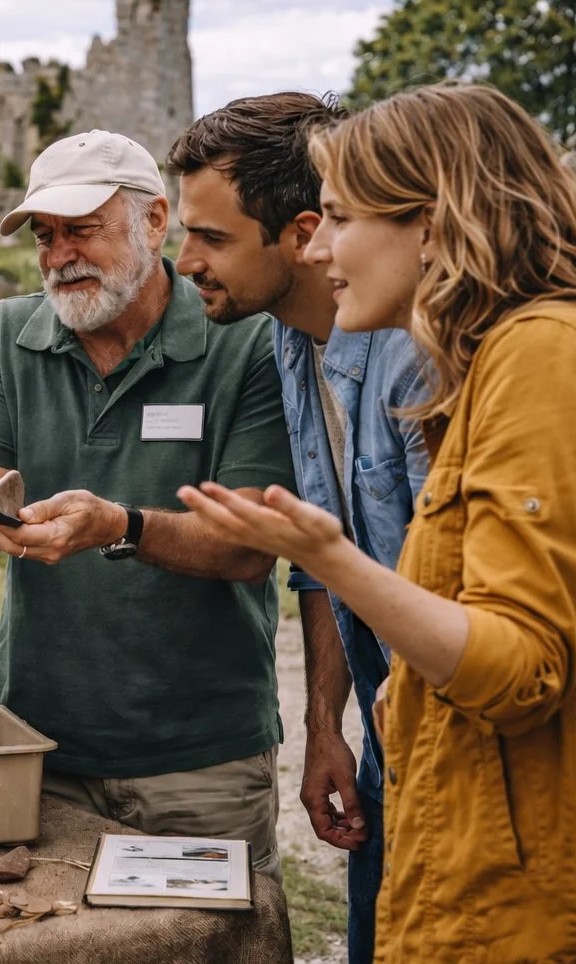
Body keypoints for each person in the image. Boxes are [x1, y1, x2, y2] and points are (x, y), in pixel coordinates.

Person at [179, 82, 576, 962]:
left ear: (435, 227)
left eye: (339, 218)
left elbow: (519, 668)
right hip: (465, 788)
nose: (317, 245)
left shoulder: (547, 356)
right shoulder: (492, 352)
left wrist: (328, 555)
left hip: (545, 837)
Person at [0, 130, 298, 883]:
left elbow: (250, 546)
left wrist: (117, 526)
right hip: (38, 747)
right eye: (44, 235)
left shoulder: (248, 340)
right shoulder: (8, 334)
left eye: (81, 230)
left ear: (155, 222)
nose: (59, 255)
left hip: (203, 761)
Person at [166, 92, 428, 962]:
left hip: (457, 738)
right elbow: (324, 565)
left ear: (299, 232)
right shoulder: (288, 338)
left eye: (209, 238)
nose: (183, 261)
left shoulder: (418, 352)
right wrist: (325, 726)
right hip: (394, 745)